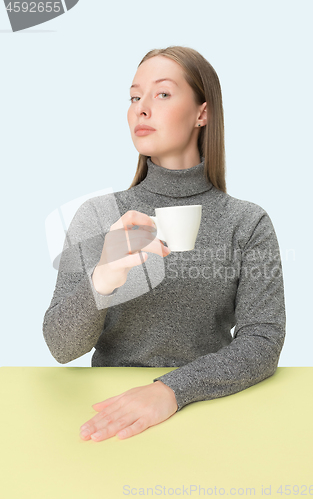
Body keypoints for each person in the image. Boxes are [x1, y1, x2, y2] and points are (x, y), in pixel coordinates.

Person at [43, 46, 286, 443]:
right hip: (108, 413)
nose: (141, 108)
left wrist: (170, 389)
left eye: (162, 94)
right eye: (135, 97)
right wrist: (103, 278)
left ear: (202, 113)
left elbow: (263, 341)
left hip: (212, 410)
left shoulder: (248, 222)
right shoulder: (101, 215)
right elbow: (59, 344)